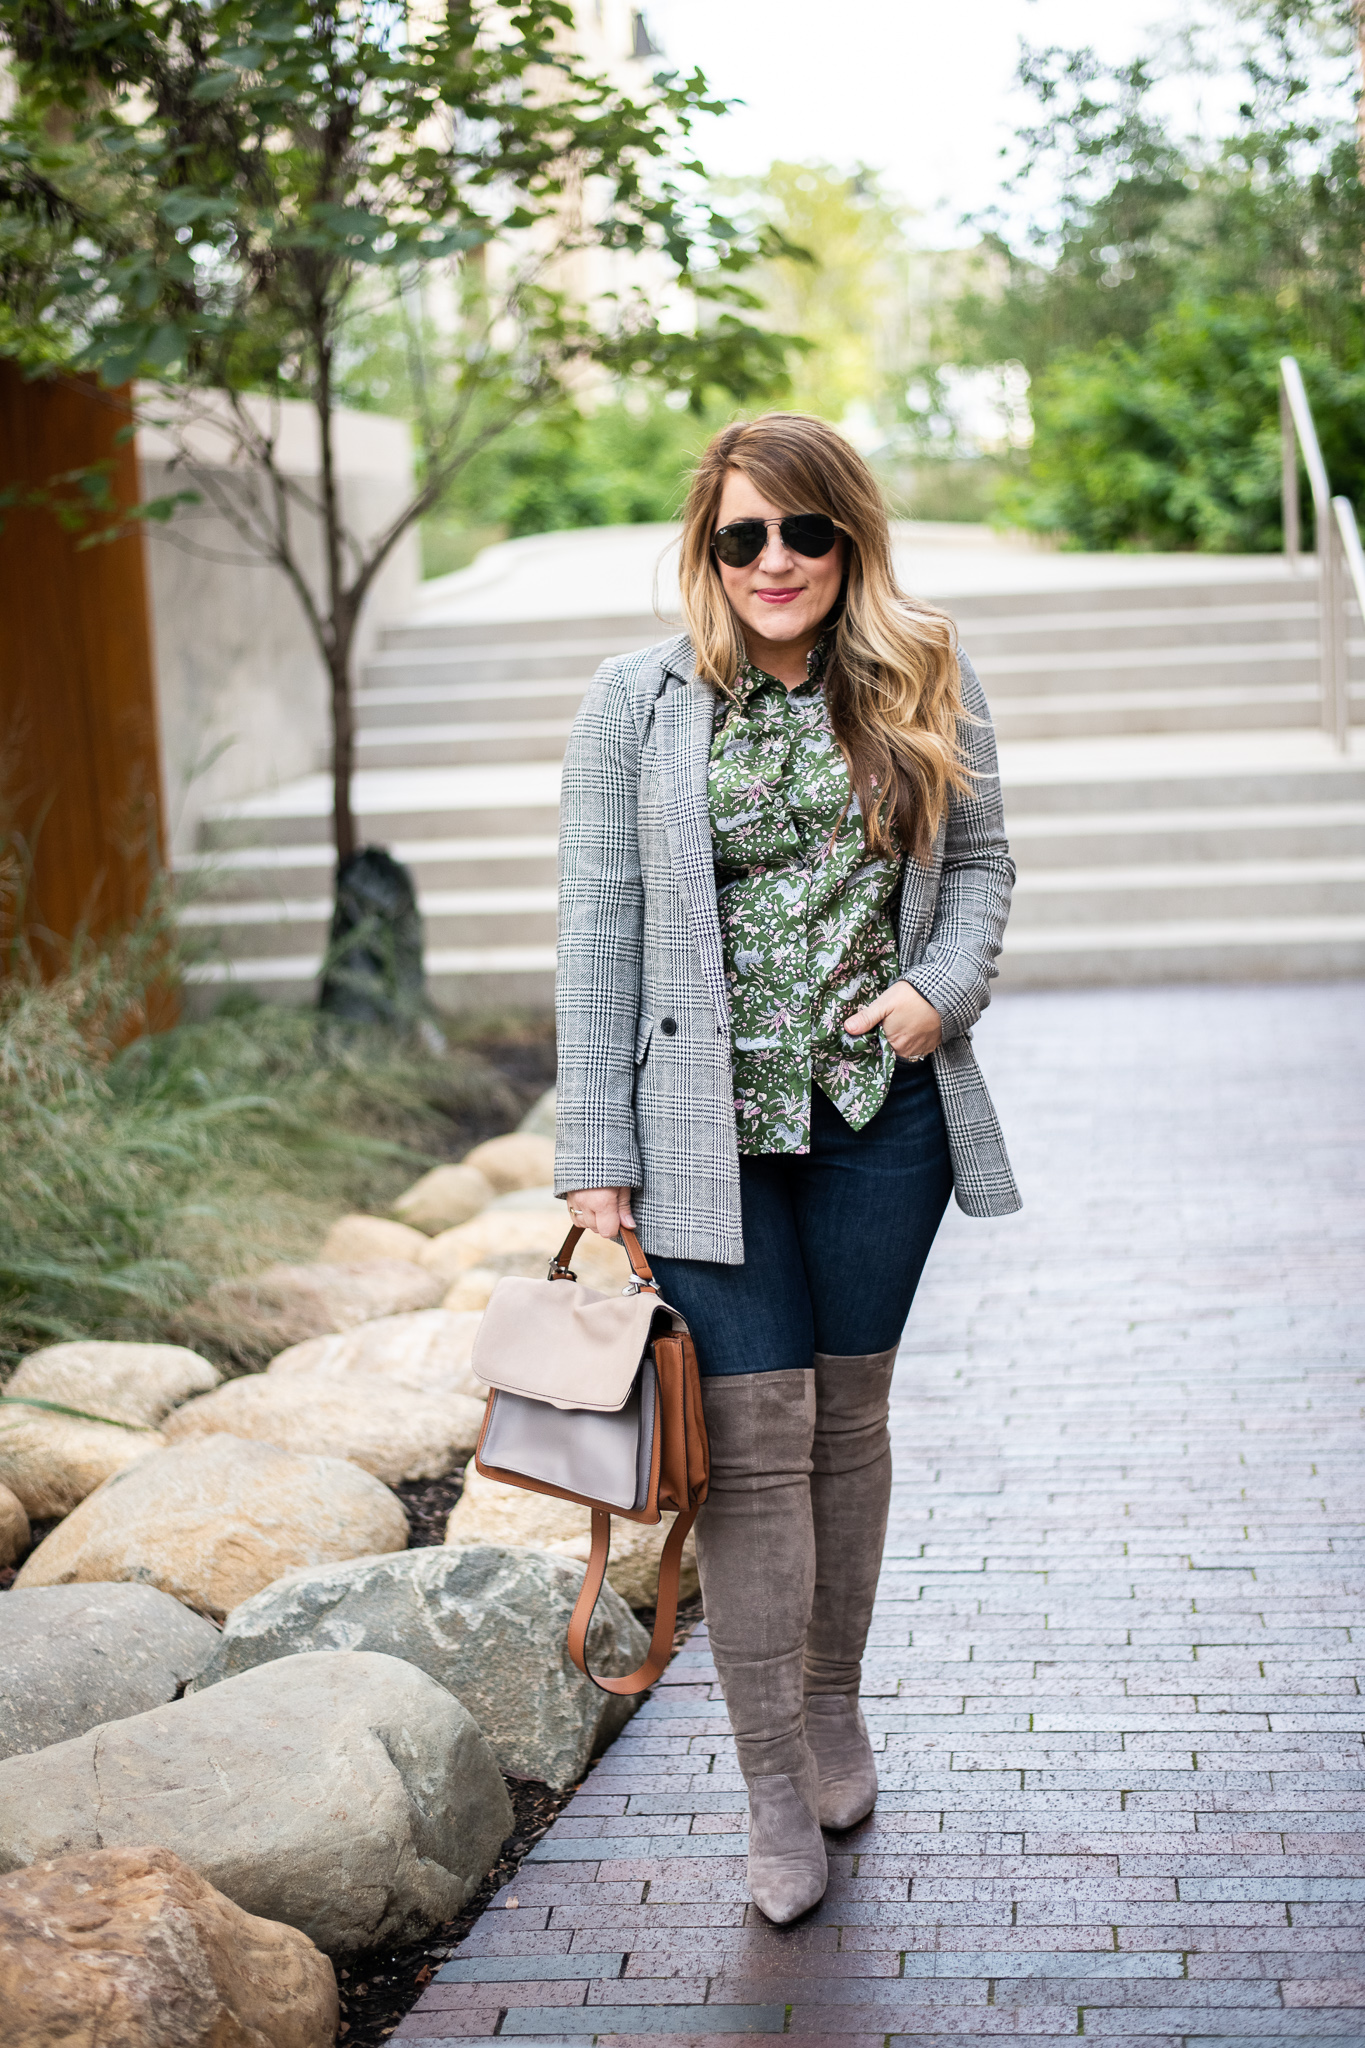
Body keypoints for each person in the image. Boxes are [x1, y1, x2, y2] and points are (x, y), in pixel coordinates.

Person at [555, 412, 1020, 1924]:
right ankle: (769, 1788)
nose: (774, 562)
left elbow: (987, 862)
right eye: (741, 536)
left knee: (847, 1427)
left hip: (878, 1119)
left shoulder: (918, 671)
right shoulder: (637, 704)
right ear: (706, 546)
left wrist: (934, 993)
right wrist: (591, 1160)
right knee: (752, 1452)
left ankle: (833, 1711)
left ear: (846, 539)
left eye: (801, 533)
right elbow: (598, 935)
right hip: (702, 1132)